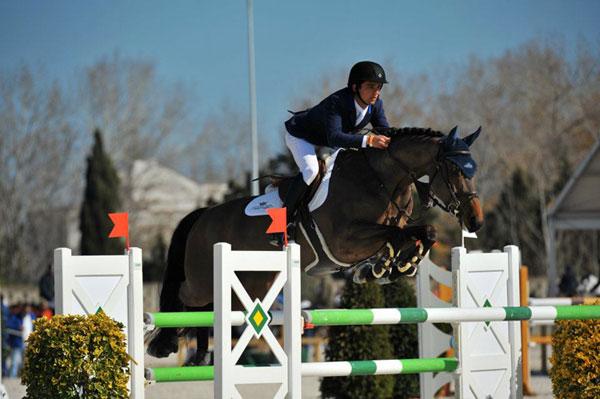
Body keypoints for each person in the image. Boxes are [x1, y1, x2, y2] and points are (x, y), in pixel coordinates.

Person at [281, 61, 392, 242]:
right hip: (301, 135)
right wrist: (370, 140)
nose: (376, 92)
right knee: (311, 171)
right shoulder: (338, 102)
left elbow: (385, 131)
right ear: (355, 87)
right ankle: (281, 222)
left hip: (326, 142)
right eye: (371, 87)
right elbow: (335, 138)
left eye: (379, 87)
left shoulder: (376, 105)